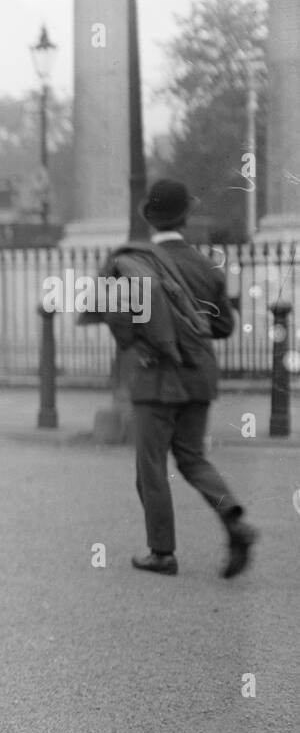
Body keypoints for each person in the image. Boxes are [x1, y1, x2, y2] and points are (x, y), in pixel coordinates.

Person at [103, 178, 257, 578]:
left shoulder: (135, 262)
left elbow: (120, 321)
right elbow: (224, 326)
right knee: (192, 458)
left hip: (155, 380)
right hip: (198, 377)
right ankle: (233, 521)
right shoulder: (206, 266)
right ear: (186, 217)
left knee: (151, 466)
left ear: (149, 218)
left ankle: (162, 552)